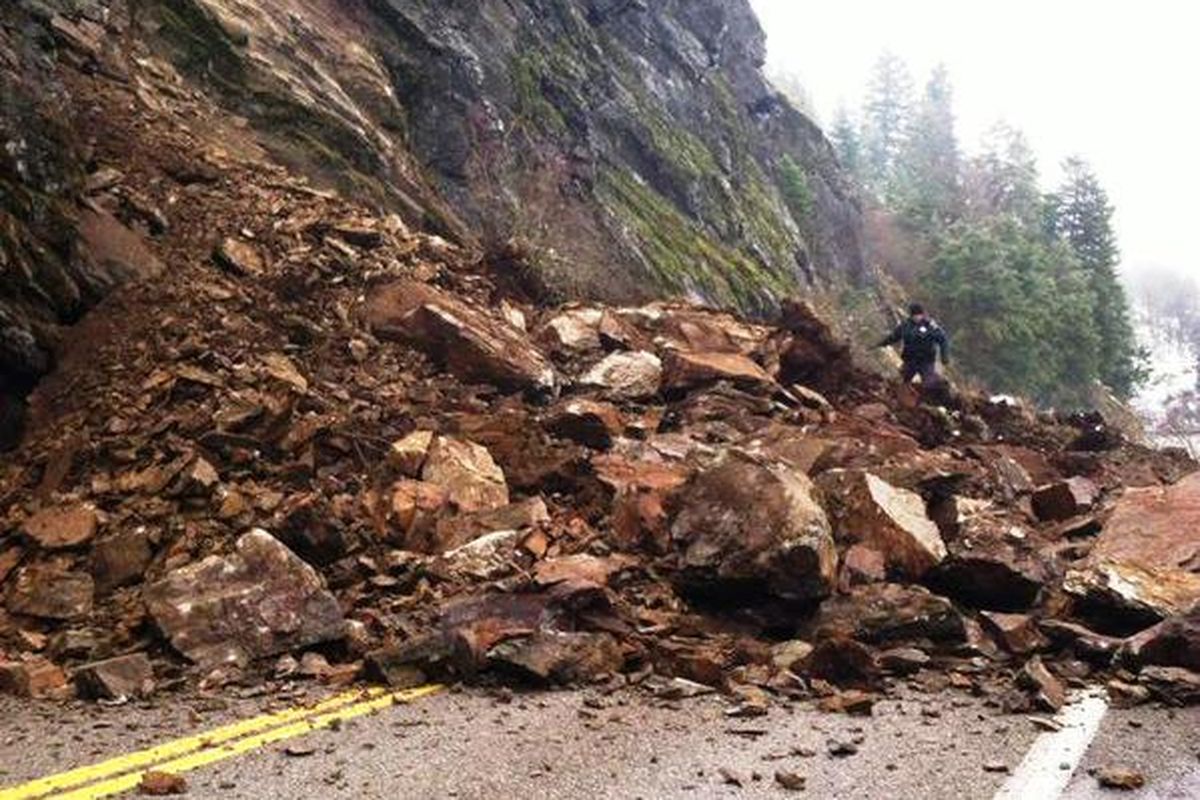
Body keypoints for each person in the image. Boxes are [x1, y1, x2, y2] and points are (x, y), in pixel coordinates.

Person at [876, 303, 950, 389]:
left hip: (926, 362)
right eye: (914, 315)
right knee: (899, 383)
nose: (917, 317)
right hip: (910, 361)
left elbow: (943, 340)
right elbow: (894, 336)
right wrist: (882, 343)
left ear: (922, 314)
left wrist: (944, 357)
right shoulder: (905, 325)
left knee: (930, 384)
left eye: (919, 315)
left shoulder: (930, 326)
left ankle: (940, 389)